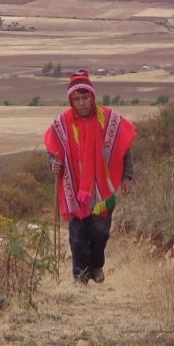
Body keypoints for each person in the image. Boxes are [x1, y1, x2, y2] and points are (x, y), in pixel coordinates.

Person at [44, 69, 136, 284]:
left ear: (92, 97)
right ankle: (81, 275)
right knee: (77, 236)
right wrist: (53, 164)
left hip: (104, 188)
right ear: (71, 101)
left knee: (100, 232)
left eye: (85, 97)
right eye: (76, 99)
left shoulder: (110, 120)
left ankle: (96, 266)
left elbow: (124, 149)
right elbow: (52, 150)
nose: (81, 103)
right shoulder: (62, 124)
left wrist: (127, 177)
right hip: (75, 190)